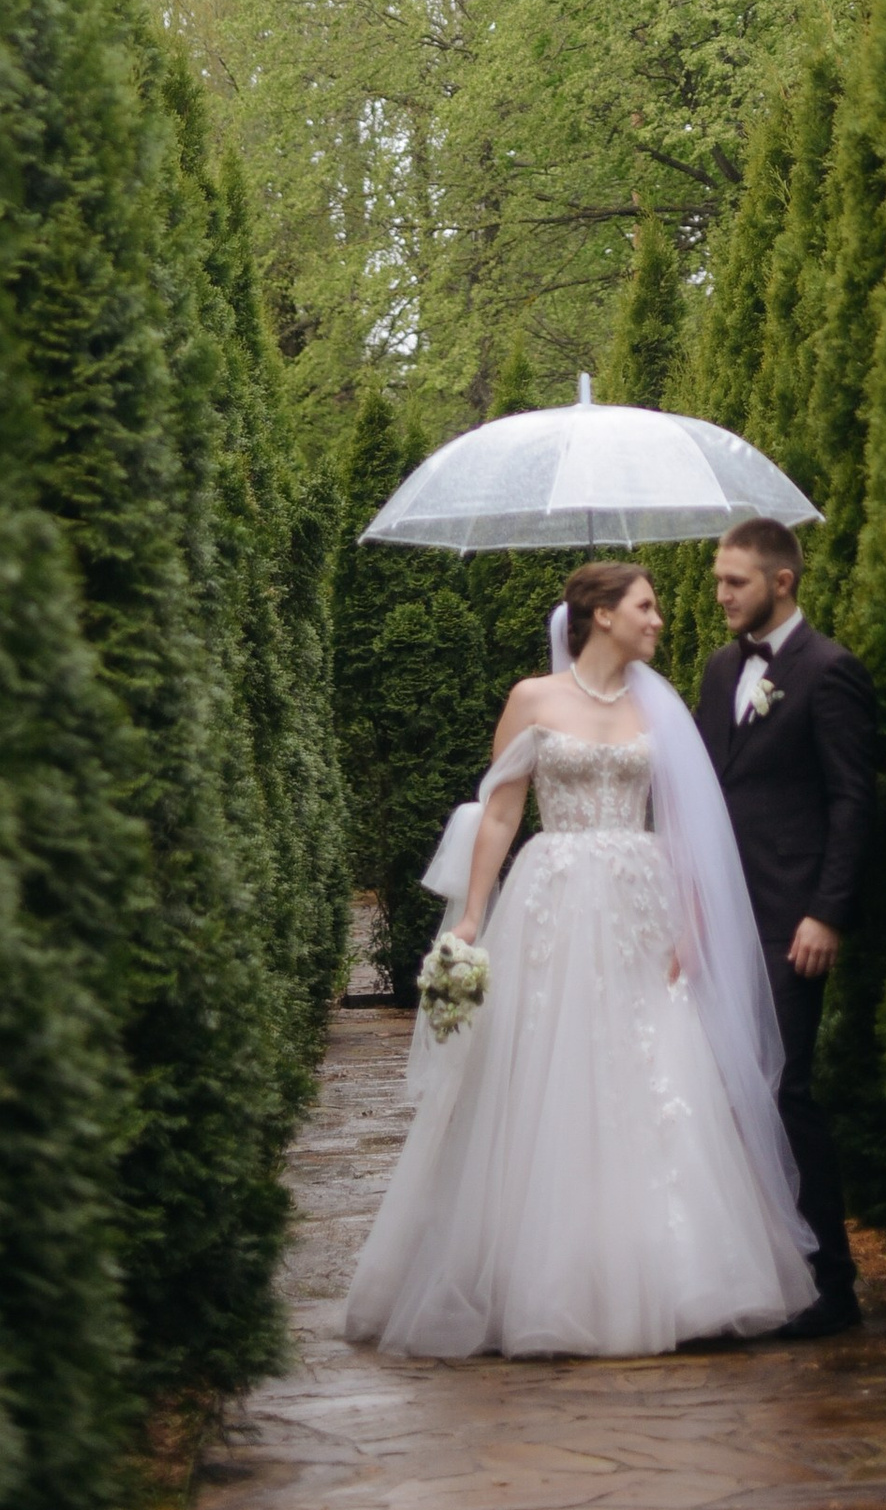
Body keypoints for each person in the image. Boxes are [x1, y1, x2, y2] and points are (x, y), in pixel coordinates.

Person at [342, 559, 817, 1358]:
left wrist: (692, 921)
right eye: (646, 604)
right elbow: (501, 810)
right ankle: (541, 1278)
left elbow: (687, 826)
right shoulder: (533, 698)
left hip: (641, 900)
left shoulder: (659, 710)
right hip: (553, 900)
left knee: (653, 1069)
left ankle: (672, 1274)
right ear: (601, 613)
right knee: (546, 1075)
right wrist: (470, 913)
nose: (660, 618)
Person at [695, 520, 875, 1337]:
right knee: (726, 1095)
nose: (722, 593)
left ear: (783, 581)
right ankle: (756, 1272)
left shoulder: (830, 672)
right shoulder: (717, 670)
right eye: (719, 579)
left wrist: (827, 910)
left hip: (790, 920)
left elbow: (852, 799)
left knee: (785, 1090)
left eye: (736, 580)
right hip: (722, 915)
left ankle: (831, 1285)